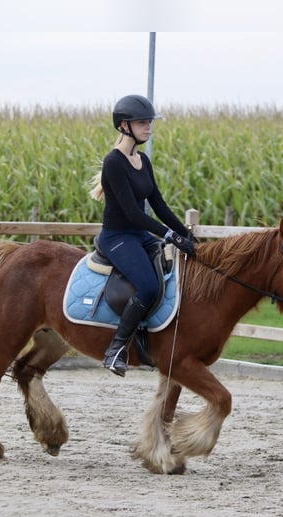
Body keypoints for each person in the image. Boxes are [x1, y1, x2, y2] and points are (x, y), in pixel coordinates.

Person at [89, 94, 197, 377]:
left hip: (139, 235)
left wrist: (187, 235)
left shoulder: (143, 161)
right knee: (148, 286)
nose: (148, 127)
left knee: (175, 273)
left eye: (149, 122)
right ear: (124, 125)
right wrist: (172, 237)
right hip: (118, 237)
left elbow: (158, 205)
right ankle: (116, 349)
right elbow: (133, 214)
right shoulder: (114, 162)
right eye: (142, 122)